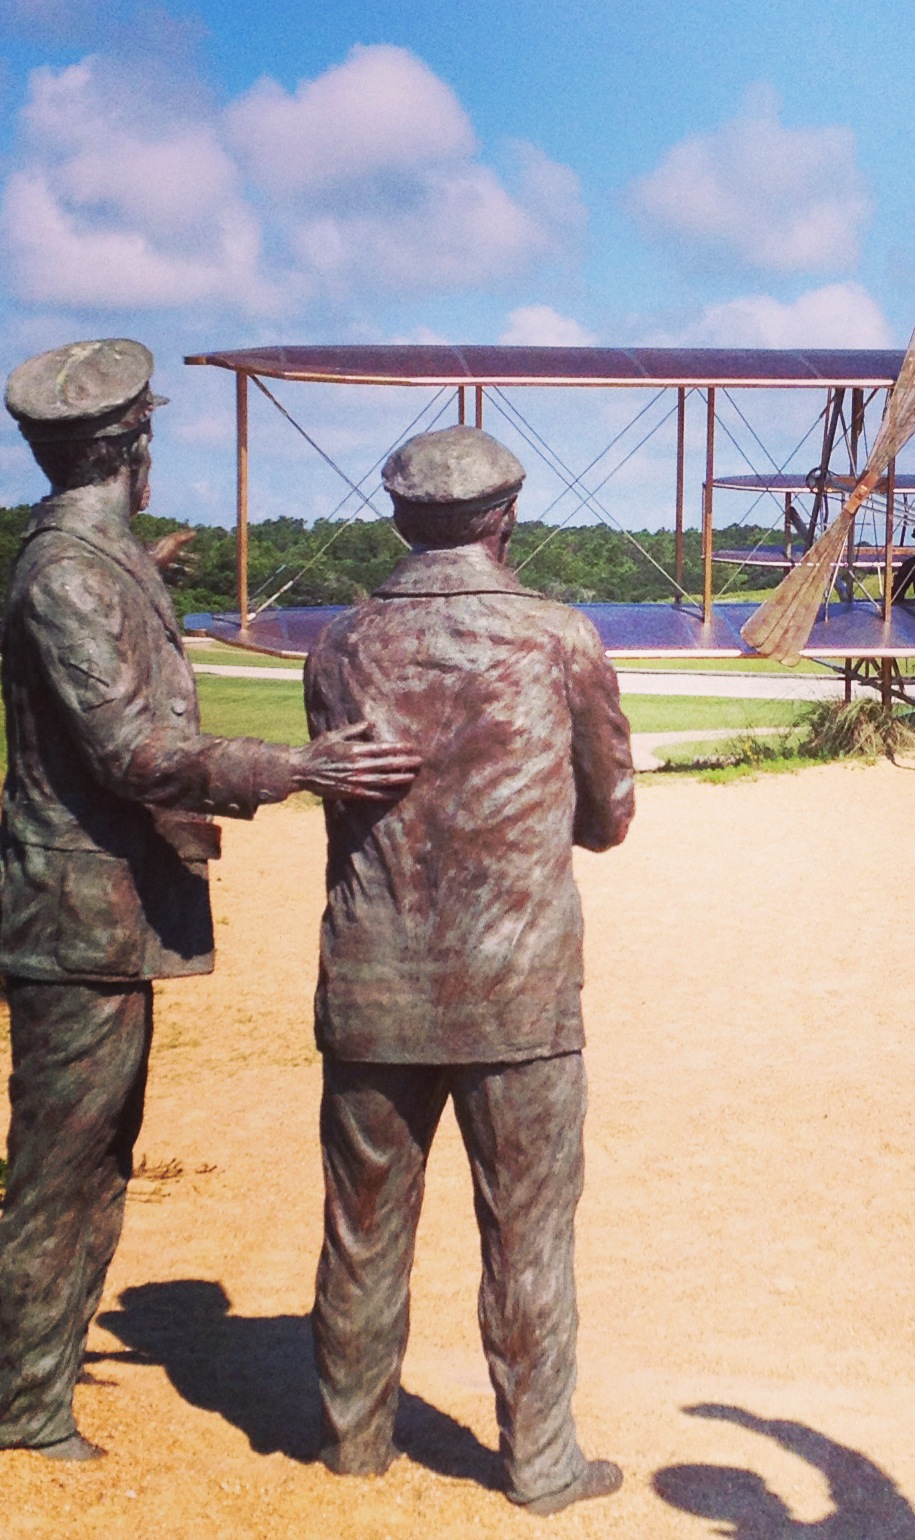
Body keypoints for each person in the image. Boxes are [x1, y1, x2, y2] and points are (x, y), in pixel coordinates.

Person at [0, 339, 421, 1463]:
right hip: (75, 918)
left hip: (99, 914)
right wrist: (298, 769)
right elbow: (133, 750)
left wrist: (154, 578)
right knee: (61, 1167)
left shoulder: (99, 559)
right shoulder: (71, 574)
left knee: (89, 1158)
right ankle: (23, 1406)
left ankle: (28, 1387)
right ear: (132, 444)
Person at [303, 424, 634, 1516]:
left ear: (401, 517)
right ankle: (540, 1463)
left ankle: (354, 1443)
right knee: (529, 1231)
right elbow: (608, 814)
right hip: (517, 986)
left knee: (362, 1225)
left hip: (375, 978)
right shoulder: (559, 639)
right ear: (504, 517)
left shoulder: (340, 644)